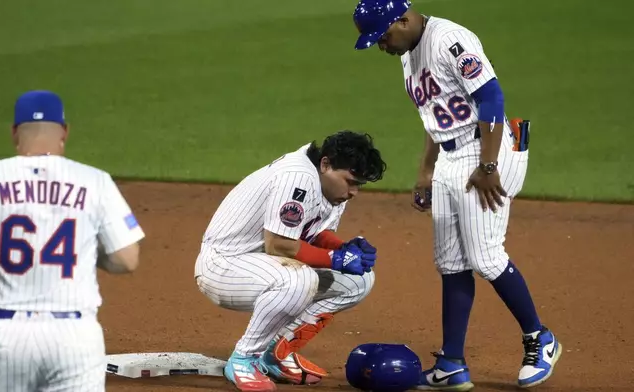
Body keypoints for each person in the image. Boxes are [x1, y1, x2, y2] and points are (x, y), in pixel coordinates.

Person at [352, 1, 562, 390]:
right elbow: (435, 116)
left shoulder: (450, 40)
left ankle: (540, 338)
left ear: (403, 19)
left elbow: (492, 99)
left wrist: (487, 166)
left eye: (382, 37)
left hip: (486, 150)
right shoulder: (408, 53)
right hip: (450, 155)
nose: (382, 46)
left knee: (486, 256)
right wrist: (425, 172)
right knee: (451, 262)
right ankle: (451, 363)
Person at [194, 130, 386, 392]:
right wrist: (336, 258)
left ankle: (275, 355)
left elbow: (313, 232)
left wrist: (343, 247)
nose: (353, 192)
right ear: (326, 164)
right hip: (224, 266)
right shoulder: (298, 177)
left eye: (359, 185)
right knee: (299, 279)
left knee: (359, 279)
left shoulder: (330, 185)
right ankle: (243, 359)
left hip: (261, 263)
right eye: (350, 181)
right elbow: (280, 245)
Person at [0, 90, 145, 391]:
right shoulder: (94, 180)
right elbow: (127, 258)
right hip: (74, 337)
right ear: (64, 131)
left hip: (4, 335)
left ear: (13, 133)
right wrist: (84, 251)